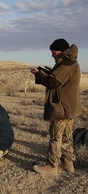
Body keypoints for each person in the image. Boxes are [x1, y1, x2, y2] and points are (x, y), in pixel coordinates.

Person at [31, 38, 82, 175]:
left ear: (61, 51)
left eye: (54, 52)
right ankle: (67, 164)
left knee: (56, 137)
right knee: (66, 138)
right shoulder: (70, 63)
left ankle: (51, 166)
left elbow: (53, 82)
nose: (52, 54)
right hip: (69, 108)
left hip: (61, 108)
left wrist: (39, 74)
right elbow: (58, 79)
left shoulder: (65, 65)